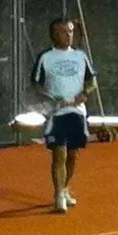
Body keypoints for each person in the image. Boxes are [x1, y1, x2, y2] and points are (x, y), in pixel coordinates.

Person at [33, 16, 99, 213]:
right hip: (56, 114)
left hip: (77, 113)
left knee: (72, 155)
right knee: (59, 153)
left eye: (71, 31)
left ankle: (64, 188)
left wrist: (84, 94)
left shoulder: (81, 56)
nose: (68, 35)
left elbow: (92, 82)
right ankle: (58, 196)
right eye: (64, 32)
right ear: (54, 34)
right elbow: (36, 85)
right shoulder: (45, 57)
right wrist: (52, 98)